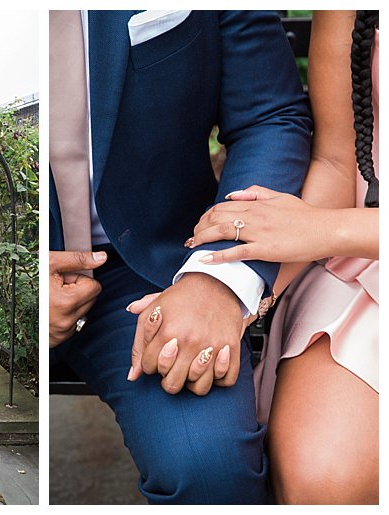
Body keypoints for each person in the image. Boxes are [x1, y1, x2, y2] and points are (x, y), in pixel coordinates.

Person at [49, 10, 312, 504]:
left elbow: (268, 116)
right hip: (16, 272)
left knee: (210, 469)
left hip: (157, 266)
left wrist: (220, 275)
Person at [188, 10, 379, 504]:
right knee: (322, 479)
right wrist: (232, 289)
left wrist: (325, 229)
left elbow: (322, 224)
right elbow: (338, 161)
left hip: (353, 233)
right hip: (363, 257)